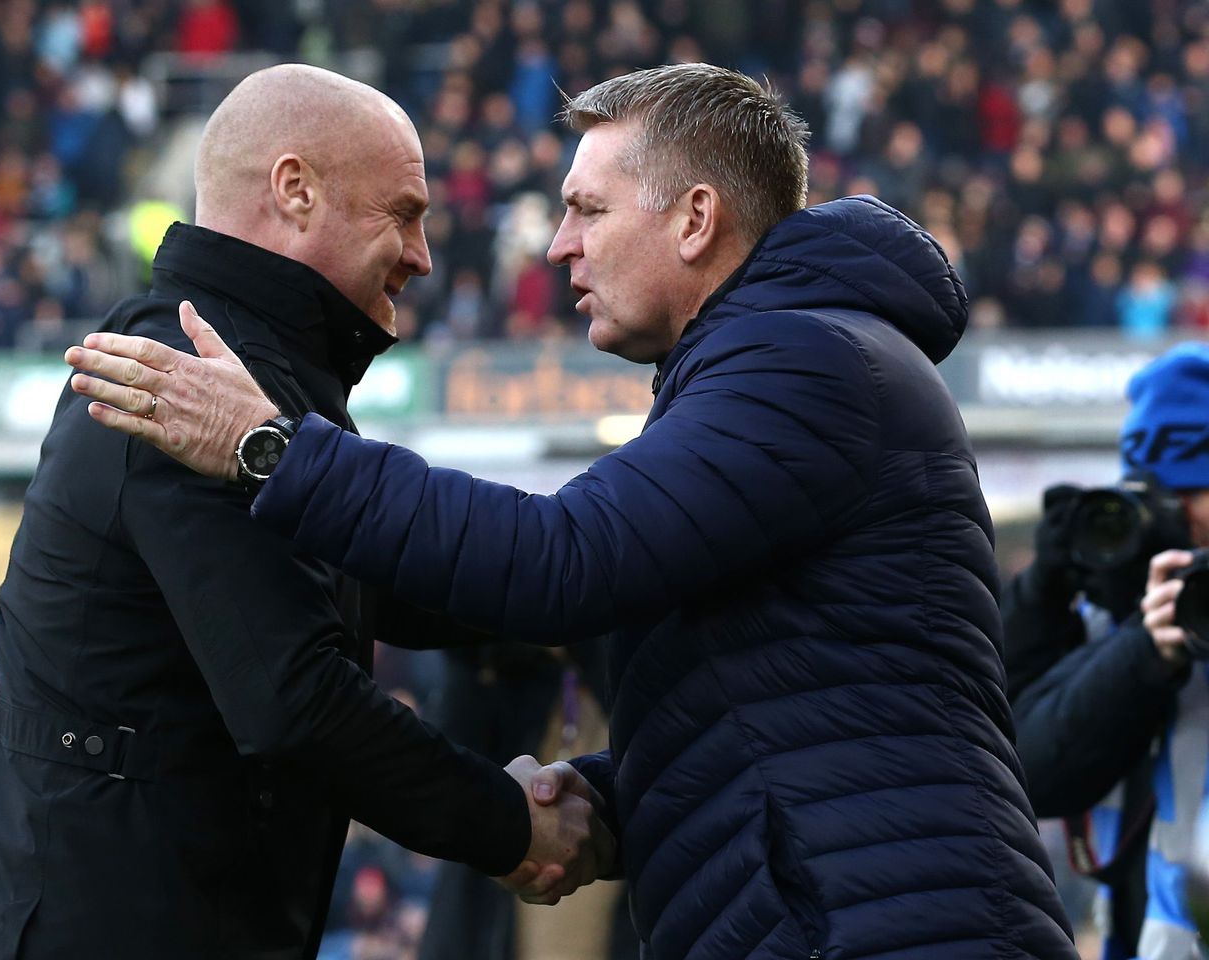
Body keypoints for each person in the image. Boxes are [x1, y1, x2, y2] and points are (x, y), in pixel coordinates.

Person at [66, 63, 1079, 958]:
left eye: (587, 211)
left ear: (693, 219)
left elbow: (563, 561)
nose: (557, 248)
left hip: (884, 927)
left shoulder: (802, 362)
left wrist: (271, 451)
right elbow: (773, 718)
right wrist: (581, 800)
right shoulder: (777, 363)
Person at [0, 64, 610, 960]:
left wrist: (580, 592)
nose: (422, 255)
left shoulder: (265, 373)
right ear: (294, 191)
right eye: (403, 214)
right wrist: (508, 825)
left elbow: (379, 576)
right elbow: (295, 699)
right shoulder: (181, 377)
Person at [1000, 343, 1209, 960]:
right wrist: (1044, 593)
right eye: (1153, 503)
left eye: (1191, 496)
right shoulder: (1130, 621)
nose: (1177, 528)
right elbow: (1022, 769)